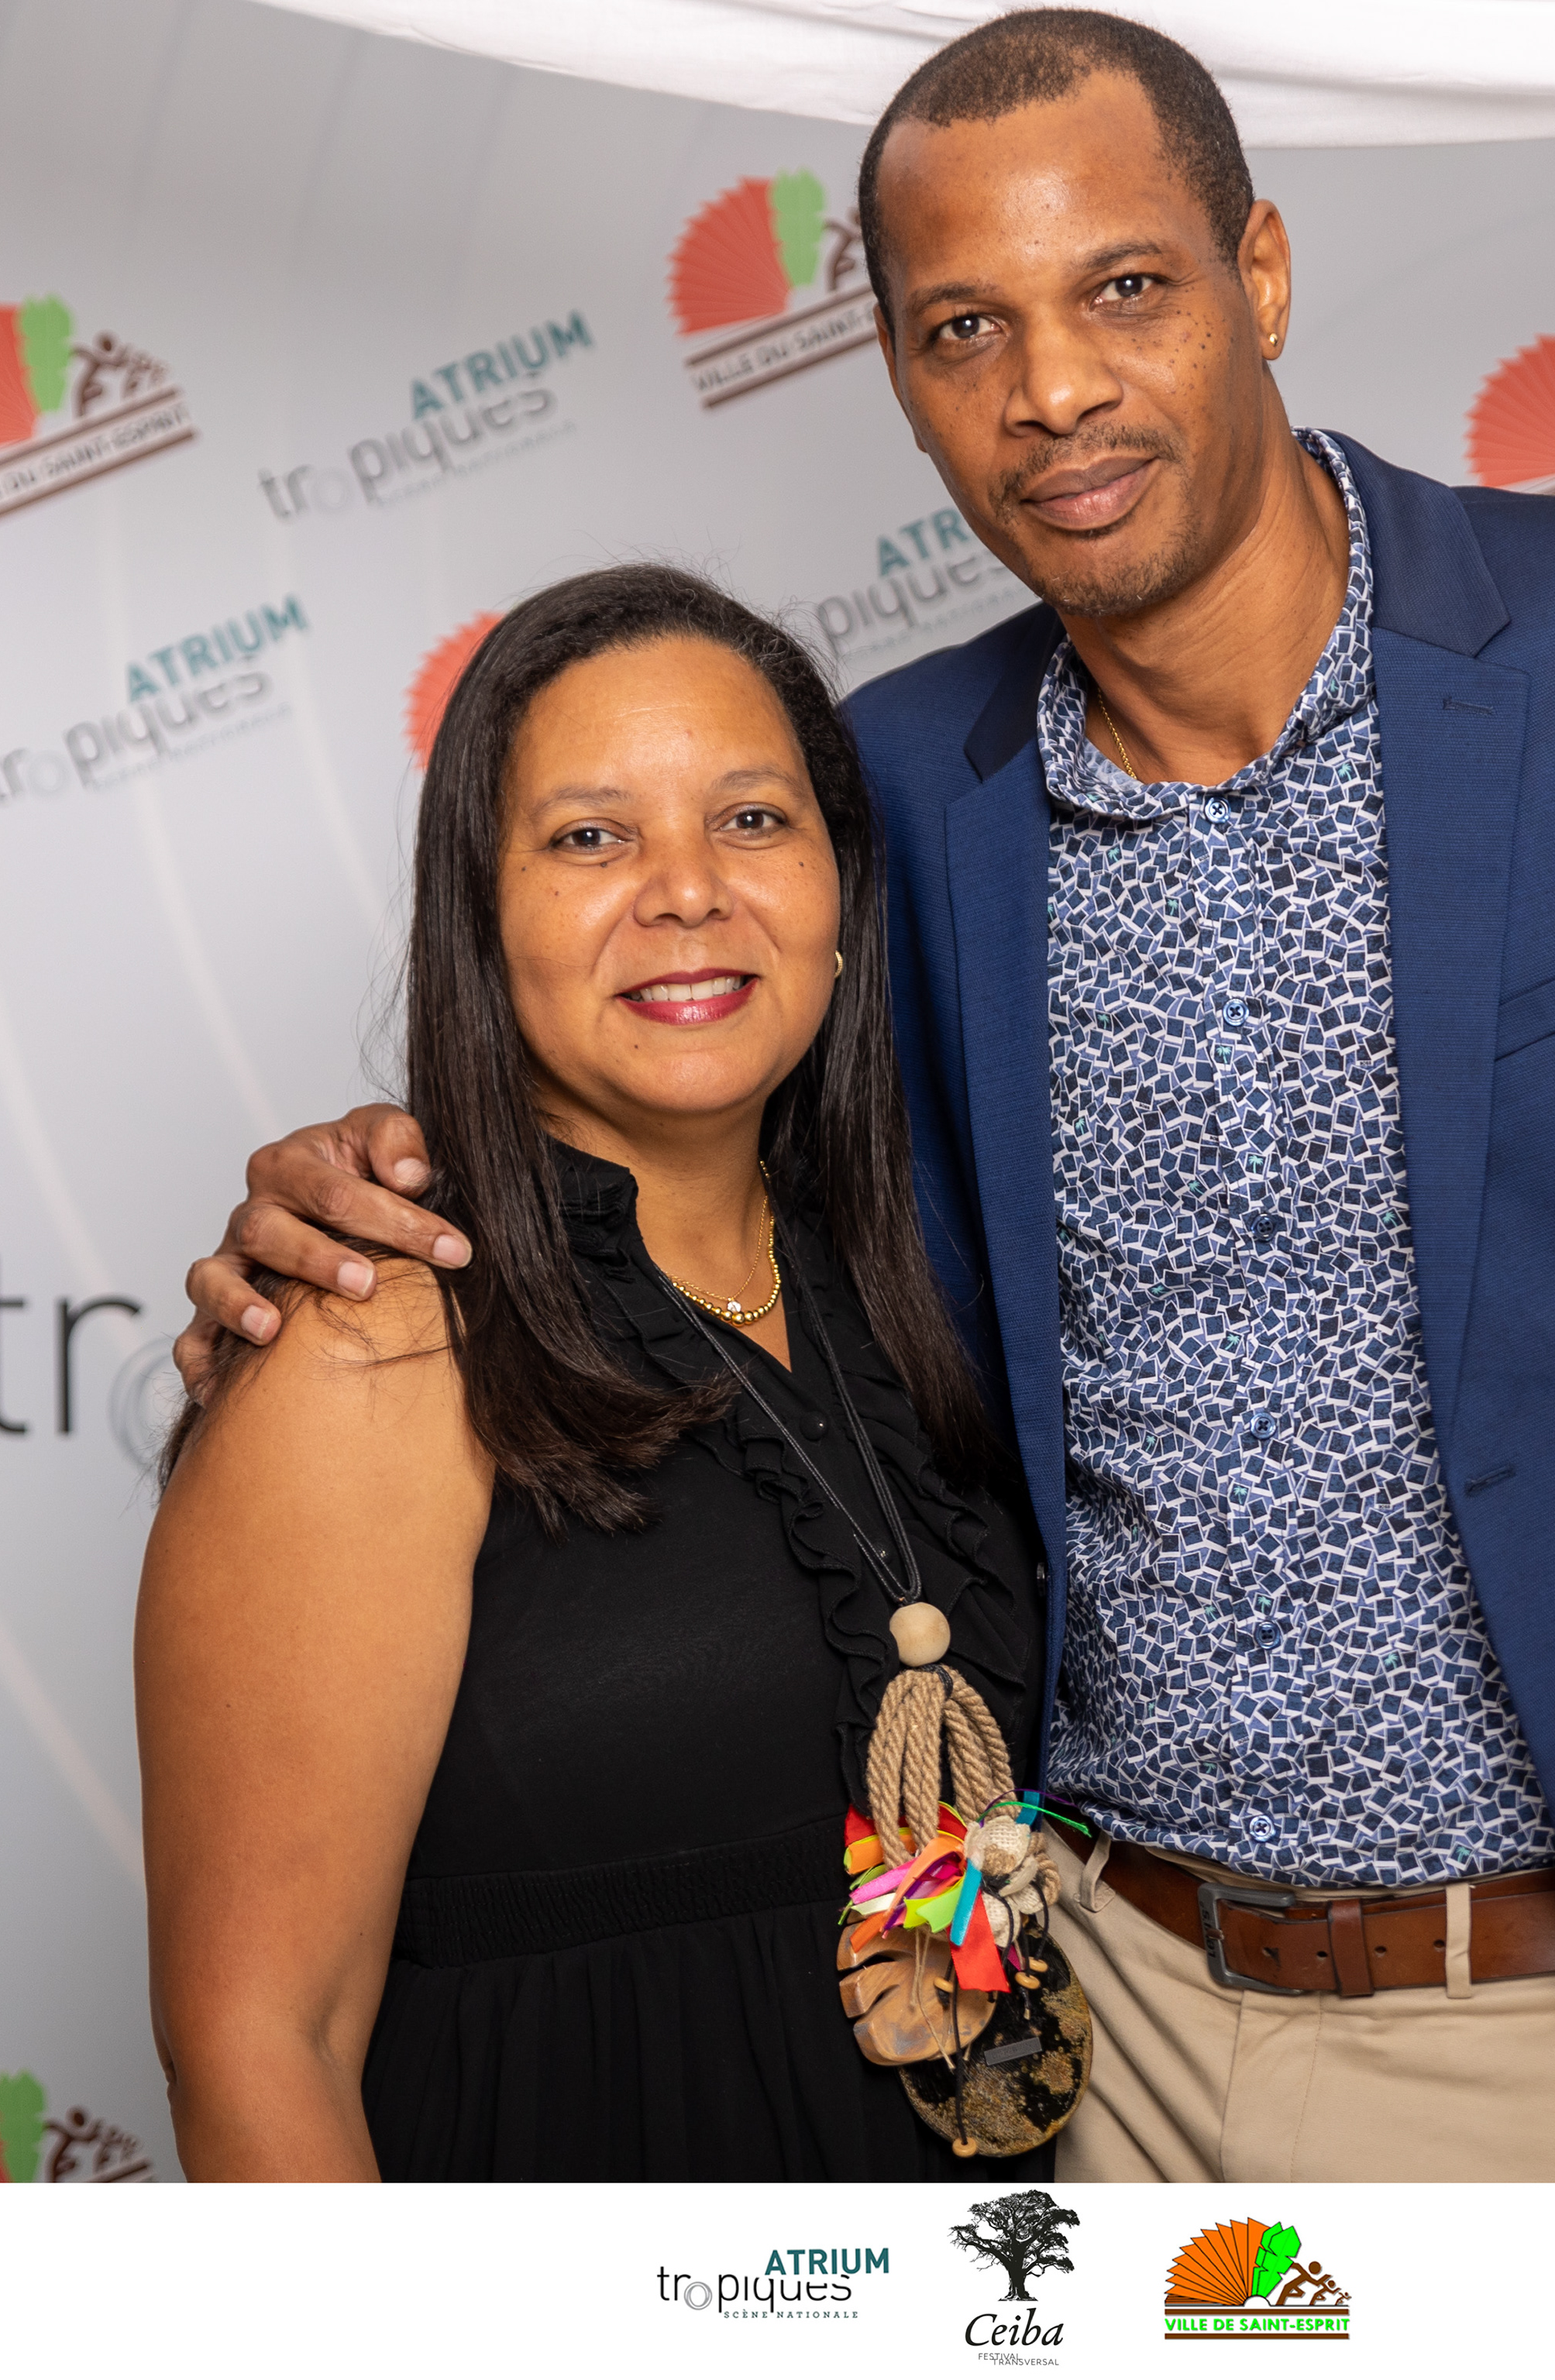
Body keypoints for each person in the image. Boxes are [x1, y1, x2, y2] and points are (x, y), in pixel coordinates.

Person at [177, 12, 1555, 2182]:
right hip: (1077, 2028)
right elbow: (692, 1176)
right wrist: (376, 1198)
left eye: (1124, 287)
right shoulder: (897, 798)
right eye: (966, 328)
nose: (1053, 390)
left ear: (1261, 274)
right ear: (902, 375)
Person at [136, 566, 1044, 2181]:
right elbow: (260, 2046)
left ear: (842, 888)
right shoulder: (373, 1342)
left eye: (752, 820)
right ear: (480, 921)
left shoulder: (910, 1277)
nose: (687, 892)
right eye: (589, 838)